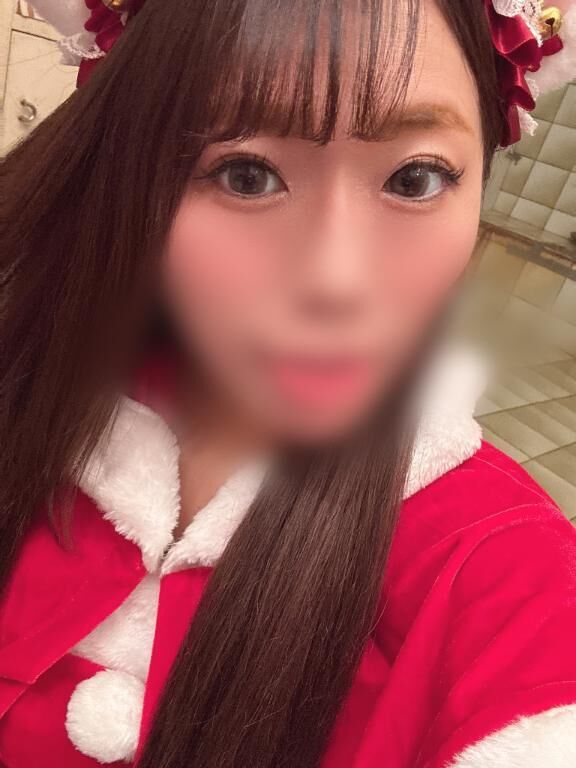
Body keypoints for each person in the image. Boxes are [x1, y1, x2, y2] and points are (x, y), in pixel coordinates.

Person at [1, 0, 576, 766]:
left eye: (415, 178)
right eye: (246, 175)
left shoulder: (505, 576)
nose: (336, 280)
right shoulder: (32, 395)